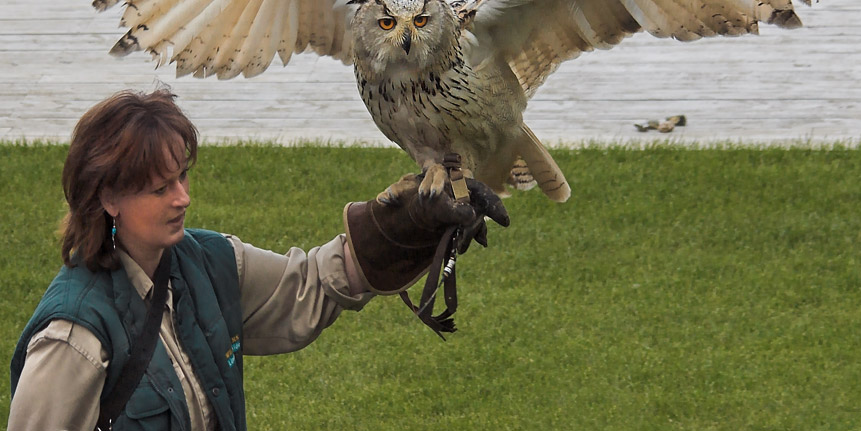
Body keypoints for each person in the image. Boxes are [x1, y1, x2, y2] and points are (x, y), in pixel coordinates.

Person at [8, 88, 508, 431]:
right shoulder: (72, 339)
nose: (182, 197)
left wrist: (412, 228)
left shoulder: (210, 263)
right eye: (160, 187)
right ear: (108, 198)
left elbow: (312, 285)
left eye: (183, 177)